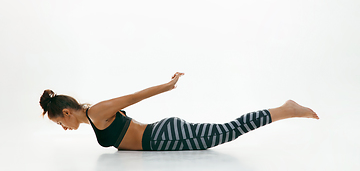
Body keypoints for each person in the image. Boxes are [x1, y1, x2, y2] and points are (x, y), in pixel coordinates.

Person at [39, 72, 319, 151]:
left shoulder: (96, 112)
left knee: (229, 131)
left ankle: (285, 110)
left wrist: (168, 85)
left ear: (66, 112)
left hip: (164, 137)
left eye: (59, 123)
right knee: (226, 132)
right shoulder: (91, 117)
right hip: (164, 135)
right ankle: (284, 110)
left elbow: (134, 97)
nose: (63, 128)